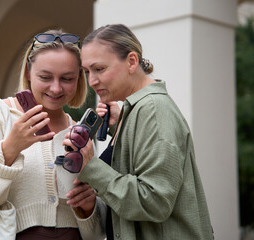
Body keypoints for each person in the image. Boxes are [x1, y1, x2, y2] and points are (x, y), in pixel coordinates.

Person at [0, 29, 106, 240]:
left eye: (67, 78)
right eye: (45, 77)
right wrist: (9, 149)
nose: (56, 88)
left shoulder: (78, 130)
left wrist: (88, 207)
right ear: (29, 73)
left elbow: (96, 233)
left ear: (79, 79)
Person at [64, 24, 214, 239]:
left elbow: (154, 202)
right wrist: (121, 126)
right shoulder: (137, 111)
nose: (92, 81)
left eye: (100, 69)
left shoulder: (152, 110)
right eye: (87, 72)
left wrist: (91, 166)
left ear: (132, 62)